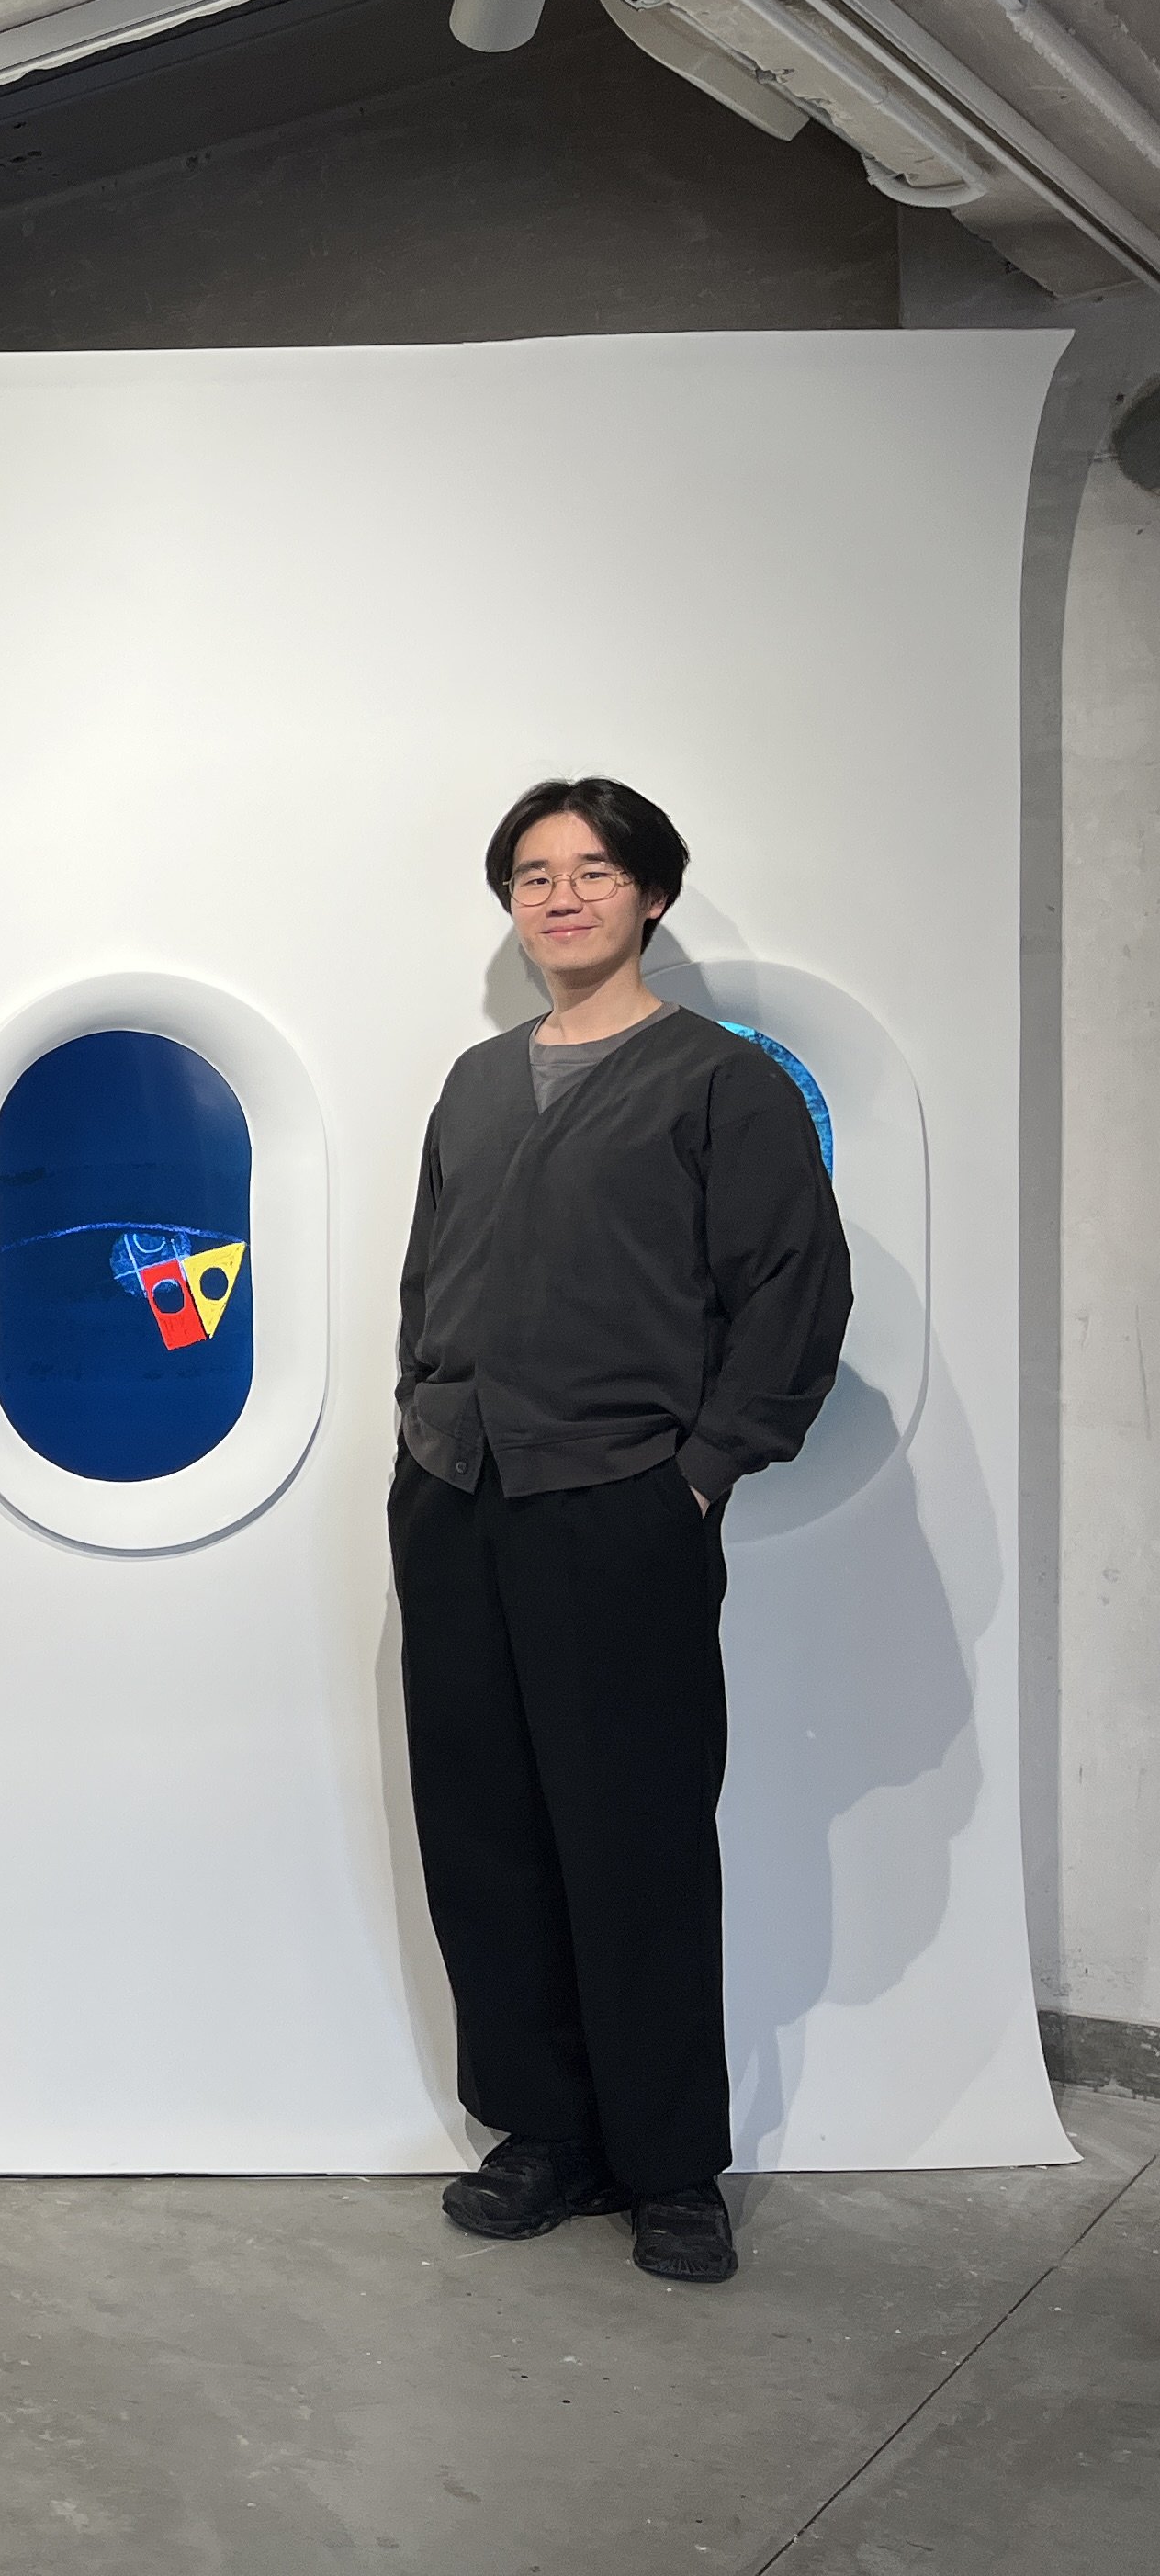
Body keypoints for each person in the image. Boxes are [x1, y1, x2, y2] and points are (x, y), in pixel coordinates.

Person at [392, 780, 850, 2285]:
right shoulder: (471, 1083)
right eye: (534, 874)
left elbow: (794, 1290)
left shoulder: (722, 1083)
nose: (562, 895)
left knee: (636, 1833)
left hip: (618, 1504)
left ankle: (669, 2167)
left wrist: (706, 1472)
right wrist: (422, 1416)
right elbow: (429, 1283)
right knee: (486, 1828)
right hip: (459, 1498)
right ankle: (546, 2134)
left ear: (651, 894)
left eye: (595, 871)